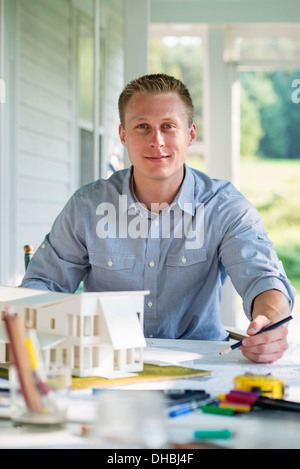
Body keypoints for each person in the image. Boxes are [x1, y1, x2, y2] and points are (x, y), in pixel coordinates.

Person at [21, 73, 296, 363]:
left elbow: (264, 279)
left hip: (201, 364)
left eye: (168, 126)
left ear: (190, 134)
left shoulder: (224, 207)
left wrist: (269, 321)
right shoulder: (87, 206)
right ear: (123, 135)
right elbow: (42, 285)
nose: (157, 141)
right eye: (142, 127)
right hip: (106, 364)